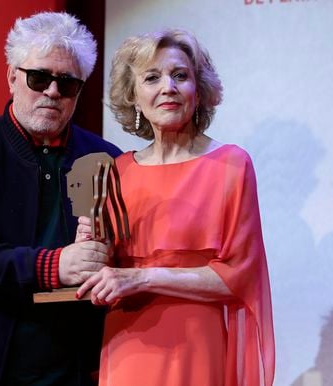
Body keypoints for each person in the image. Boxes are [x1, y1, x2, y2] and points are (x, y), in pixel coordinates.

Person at [0, 11, 121, 386]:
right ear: (12, 76)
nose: (52, 92)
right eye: (39, 77)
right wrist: (54, 266)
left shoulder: (108, 159)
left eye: (68, 83)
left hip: (71, 365)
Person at [76, 29, 275, 386]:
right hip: (127, 342)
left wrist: (142, 277)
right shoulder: (117, 170)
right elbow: (102, 269)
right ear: (134, 97)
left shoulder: (231, 165)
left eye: (179, 76)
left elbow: (239, 277)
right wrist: (89, 247)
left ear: (198, 92)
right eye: (152, 78)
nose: (167, 86)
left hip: (196, 344)